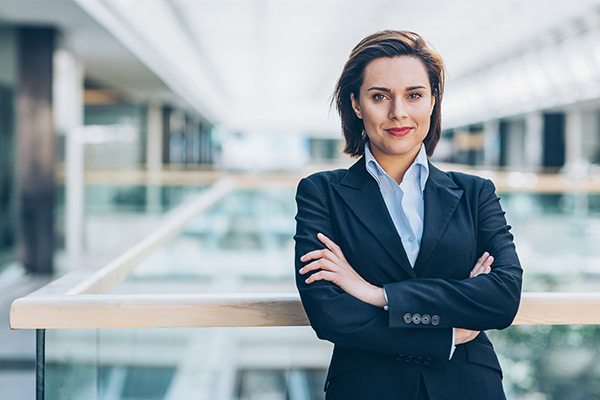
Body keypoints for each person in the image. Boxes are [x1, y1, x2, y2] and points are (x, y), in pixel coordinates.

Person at [293, 30, 522, 400]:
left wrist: (375, 293)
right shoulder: (322, 193)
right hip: (367, 388)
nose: (398, 112)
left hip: (467, 388)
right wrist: (446, 332)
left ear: (433, 101)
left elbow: (502, 297)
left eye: (414, 95)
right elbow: (329, 311)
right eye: (380, 96)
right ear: (355, 104)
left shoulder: (475, 193)